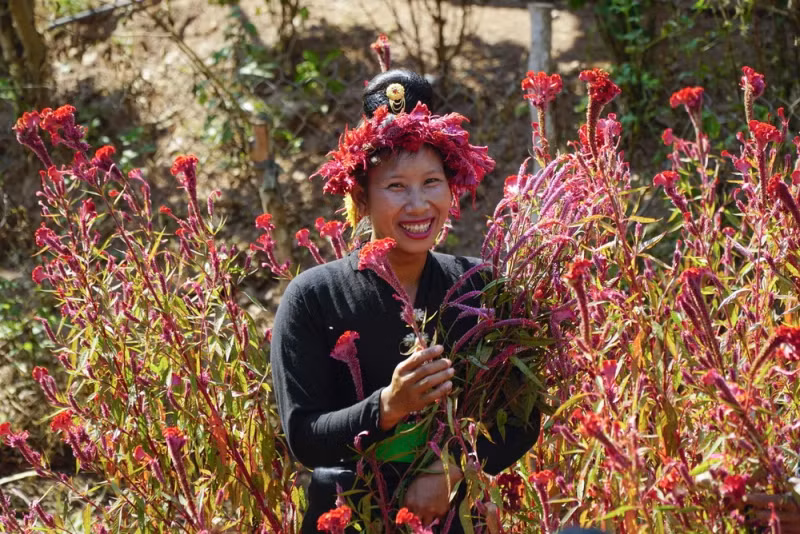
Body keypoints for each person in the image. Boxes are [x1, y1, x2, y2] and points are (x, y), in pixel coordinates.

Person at [271, 68, 541, 533]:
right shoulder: (312, 298)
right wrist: (388, 407)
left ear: (451, 187)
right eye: (396, 186)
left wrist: (452, 468)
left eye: (431, 182)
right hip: (348, 519)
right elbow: (304, 437)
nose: (418, 205)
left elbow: (521, 417)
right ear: (362, 196)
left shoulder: (480, 288)